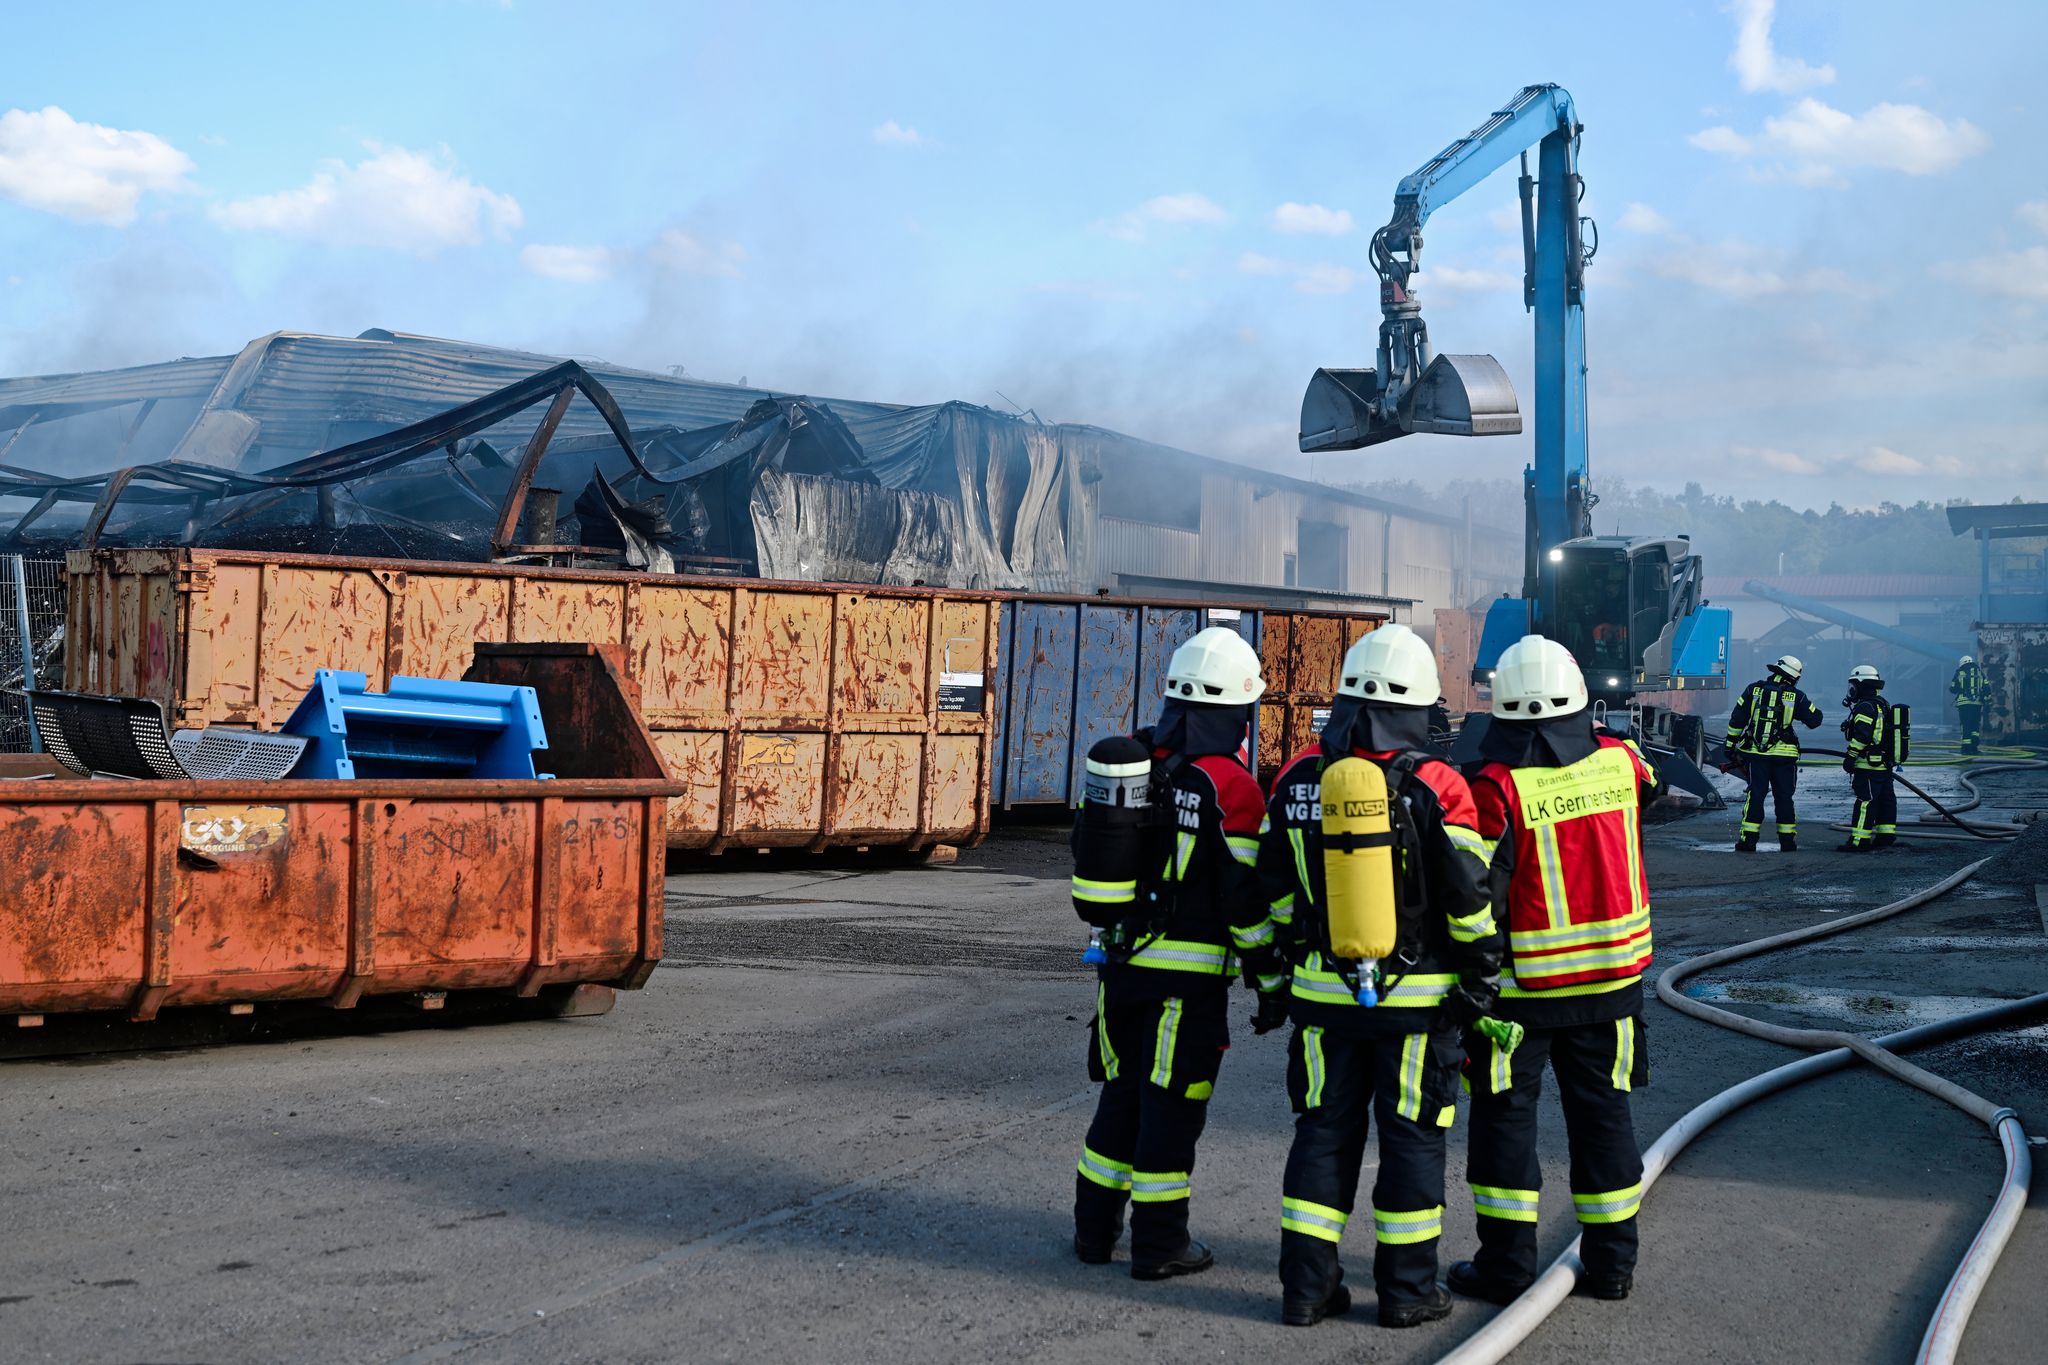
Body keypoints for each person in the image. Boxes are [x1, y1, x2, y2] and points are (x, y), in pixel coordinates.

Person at [1258, 624, 1502, 1329]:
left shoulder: (1299, 775)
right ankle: (1406, 1292)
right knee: (1412, 1141)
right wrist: (1479, 982)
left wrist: (1285, 964)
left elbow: (1270, 889)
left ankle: (1305, 1290)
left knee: (1322, 1135)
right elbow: (1468, 898)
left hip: (1319, 1001)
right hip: (1419, 1007)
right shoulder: (1439, 784)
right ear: (1421, 704)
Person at [1072, 626, 1288, 1280]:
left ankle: (1093, 1230)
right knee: (1172, 1108)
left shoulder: (1138, 760)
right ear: (1235, 709)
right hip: (1186, 990)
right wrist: (1271, 978)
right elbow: (1244, 902)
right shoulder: (1231, 786)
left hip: (1118, 970)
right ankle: (1161, 1243)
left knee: (1122, 1097)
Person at [1449, 635, 1657, 1306]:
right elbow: (1647, 791)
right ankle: (1613, 1267)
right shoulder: (1623, 763)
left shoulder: (1497, 786)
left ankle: (1506, 1267)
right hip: (1613, 987)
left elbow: (1473, 887)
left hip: (1521, 997)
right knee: (1605, 1120)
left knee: (1505, 1121)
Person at [1724, 654, 1824, 852]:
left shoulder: (1753, 690)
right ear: (1793, 676)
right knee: (1784, 797)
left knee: (1756, 795)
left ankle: (1748, 841)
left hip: (1756, 755)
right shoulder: (1797, 695)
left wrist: (1729, 746)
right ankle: (1787, 842)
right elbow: (1816, 720)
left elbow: (1737, 720)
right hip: (1784, 757)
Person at [1838, 663, 1898, 852]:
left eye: (1853, 685)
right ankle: (1885, 837)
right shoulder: (1883, 705)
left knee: (1866, 801)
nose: (1851, 690)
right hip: (1884, 764)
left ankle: (1859, 841)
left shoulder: (1865, 707)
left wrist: (1850, 756)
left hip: (1868, 765)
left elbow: (1863, 736)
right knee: (1886, 800)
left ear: (1862, 685)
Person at [1950, 654, 1988, 756]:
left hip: (1964, 704)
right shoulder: (1980, 673)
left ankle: (1966, 748)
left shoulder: (1960, 672)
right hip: (1977, 704)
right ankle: (1974, 748)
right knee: (1975, 725)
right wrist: (1986, 700)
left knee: (1965, 725)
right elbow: (1987, 688)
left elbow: (1953, 688)